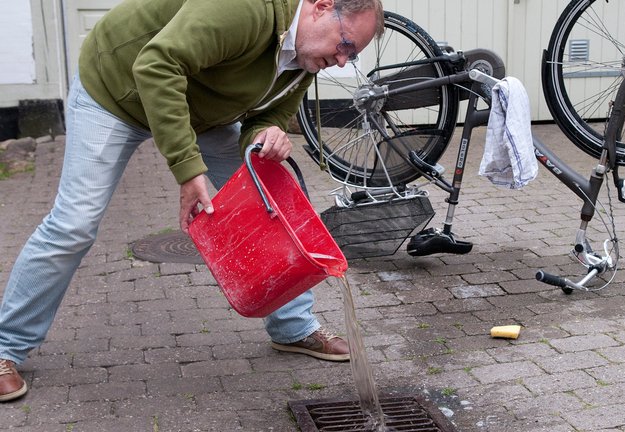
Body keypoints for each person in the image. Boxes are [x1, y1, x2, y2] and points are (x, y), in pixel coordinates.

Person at [0, 0, 384, 402]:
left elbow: (267, 114)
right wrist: (187, 168)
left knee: (273, 199)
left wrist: (265, 133)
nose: (342, 61)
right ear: (321, 7)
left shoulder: (306, 57)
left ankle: (293, 326)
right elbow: (157, 65)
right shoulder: (246, 9)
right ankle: (6, 347)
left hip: (199, 112)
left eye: (352, 54)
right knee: (73, 224)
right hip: (117, 92)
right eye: (345, 45)